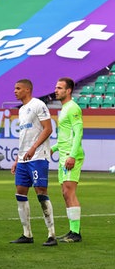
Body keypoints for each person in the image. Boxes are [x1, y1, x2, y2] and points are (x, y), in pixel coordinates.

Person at [10, 79, 56, 246]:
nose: (15, 91)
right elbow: (24, 137)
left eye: (18, 88)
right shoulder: (21, 110)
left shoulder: (38, 105)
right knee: (20, 193)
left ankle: (51, 234)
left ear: (28, 89)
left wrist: (33, 148)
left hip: (38, 156)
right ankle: (27, 234)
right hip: (23, 158)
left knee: (40, 191)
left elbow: (48, 129)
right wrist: (17, 159)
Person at [52, 77, 84, 242]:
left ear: (68, 90)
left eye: (59, 88)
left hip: (71, 156)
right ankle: (72, 230)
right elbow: (64, 137)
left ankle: (76, 233)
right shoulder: (64, 108)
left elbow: (78, 132)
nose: (56, 90)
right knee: (65, 193)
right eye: (56, 87)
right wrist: (53, 149)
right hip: (63, 154)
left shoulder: (73, 108)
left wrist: (72, 155)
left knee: (69, 191)